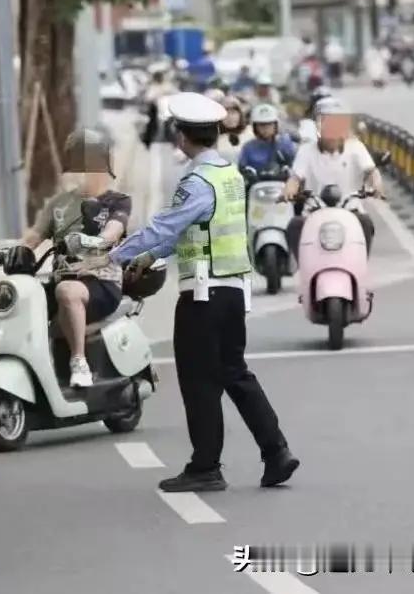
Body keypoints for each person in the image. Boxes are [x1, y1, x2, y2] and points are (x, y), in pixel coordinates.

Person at [109, 92, 299, 493]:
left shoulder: (195, 181)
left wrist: (114, 255)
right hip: (233, 289)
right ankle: (276, 451)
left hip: (202, 294)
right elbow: (192, 234)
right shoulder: (229, 174)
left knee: (198, 381)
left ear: (182, 137)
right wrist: (147, 258)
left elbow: (165, 227)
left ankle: (205, 466)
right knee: (235, 372)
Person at [17, 129, 131, 387]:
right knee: (20, 300)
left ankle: (79, 362)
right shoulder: (58, 203)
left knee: (68, 291)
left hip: (101, 281)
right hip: (61, 279)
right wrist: (2, 252)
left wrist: (95, 241)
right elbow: (33, 236)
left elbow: (114, 231)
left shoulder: (118, 201)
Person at [283, 99, 383, 258]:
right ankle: (305, 268)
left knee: (365, 222)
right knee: (295, 225)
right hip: (314, 211)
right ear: (317, 125)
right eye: (326, 121)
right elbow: (295, 177)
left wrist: (376, 185)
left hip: (350, 210)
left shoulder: (355, 147)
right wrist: (290, 188)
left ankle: (360, 264)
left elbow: (372, 171)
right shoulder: (306, 150)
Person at [239, 104, 297, 174]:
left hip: (283, 183)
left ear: (276, 125)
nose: (265, 128)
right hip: (256, 183)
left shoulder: (285, 143)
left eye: (269, 124)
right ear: (255, 127)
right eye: (261, 124)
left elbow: (296, 167)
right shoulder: (248, 147)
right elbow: (241, 169)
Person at [214, 94, 250, 163]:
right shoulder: (214, 138)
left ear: (240, 114)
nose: (230, 117)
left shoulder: (250, 132)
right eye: (226, 113)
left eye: (233, 112)